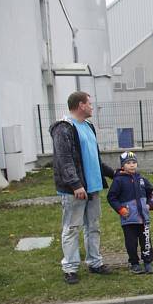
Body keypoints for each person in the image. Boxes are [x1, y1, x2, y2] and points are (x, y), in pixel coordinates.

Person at [50, 91, 115, 284]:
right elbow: (65, 160)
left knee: (93, 227)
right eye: (90, 104)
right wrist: (75, 184)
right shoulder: (64, 128)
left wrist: (113, 173)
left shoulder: (88, 126)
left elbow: (94, 157)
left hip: (93, 187)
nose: (92, 107)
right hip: (75, 190)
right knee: (72, 228)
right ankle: (70, 268)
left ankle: (95, 263)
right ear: (80, 105)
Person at [106, 151, 153, 274]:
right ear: (123, 165)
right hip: (129, 219)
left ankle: (147, 262)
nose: (132, 165)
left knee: (146, 241)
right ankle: (134, 263)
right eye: (128, 163)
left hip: (143, 218)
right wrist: (120, 209)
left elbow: (152, 192)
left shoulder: (142, 179)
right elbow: (111, 197)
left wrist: (149, 205)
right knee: (131, 242)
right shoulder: (118, 181)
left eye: (134, 162)